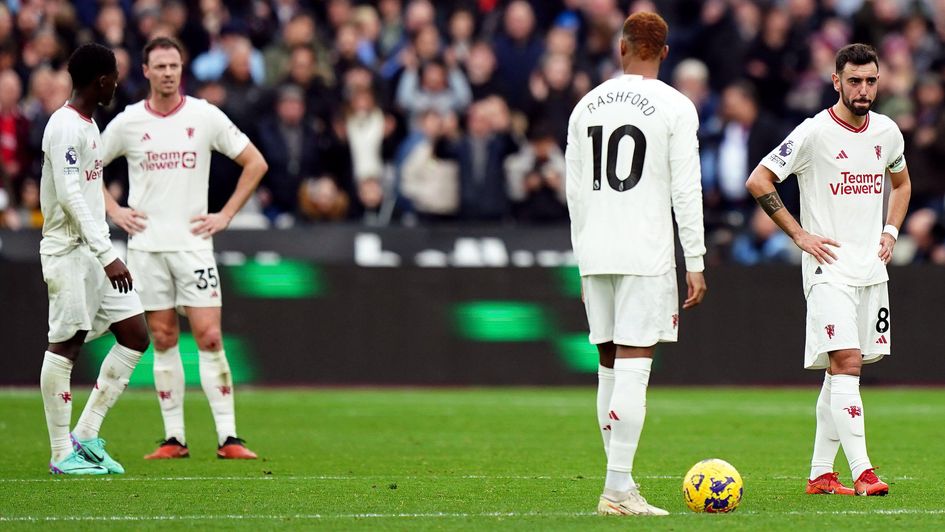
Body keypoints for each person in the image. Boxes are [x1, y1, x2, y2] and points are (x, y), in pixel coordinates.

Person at [746, 43, 911, 497]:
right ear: (835, 81)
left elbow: (902, 182)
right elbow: (760, 179)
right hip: (828, 271)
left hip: (871, 270)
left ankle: (821, 474)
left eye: (871, 80)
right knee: (848, 362)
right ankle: (863, 472)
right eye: (854, 80)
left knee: (837, 373)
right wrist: (800, 235)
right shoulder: (813, 133)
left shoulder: (887, 132)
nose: (863, 89)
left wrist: (892, 230)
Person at [565, 12, 707, 516]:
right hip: (644, 252)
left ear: (621, 48)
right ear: (664, 53)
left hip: (597, 250)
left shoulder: (586, 105)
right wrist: (696, 259)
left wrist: (582, 261)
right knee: (633, 367)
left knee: (607, 366)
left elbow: (575, 193)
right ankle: (619, 489)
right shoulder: (675, 105)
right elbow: (687, 190)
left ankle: (617, 484)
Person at [101, 37, 269, 460]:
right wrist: (114, 211)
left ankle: (228, 437)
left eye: (174, 65)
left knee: (210, 336)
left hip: (194, 246)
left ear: (182, 68)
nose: (168, 73)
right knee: (162, 337)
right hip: (147, 248)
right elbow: (87, 167)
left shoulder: (204, 115)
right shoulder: (128, 121)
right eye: (160, 66)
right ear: (145, 71)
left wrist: (225, 215)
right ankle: (174, 438)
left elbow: (256, 162)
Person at [39, 43, 151, 475]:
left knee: (135, 334)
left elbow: (84, 192)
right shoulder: (65, 126)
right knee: (65, 345)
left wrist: (104, 249)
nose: (117, 83)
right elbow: (68, 195)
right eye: (114, 76)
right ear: (100, 80)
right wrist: (108, 255)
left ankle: (85, 435)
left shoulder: (89, 125)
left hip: (95, 249)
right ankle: (60, 454)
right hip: (69, 251)